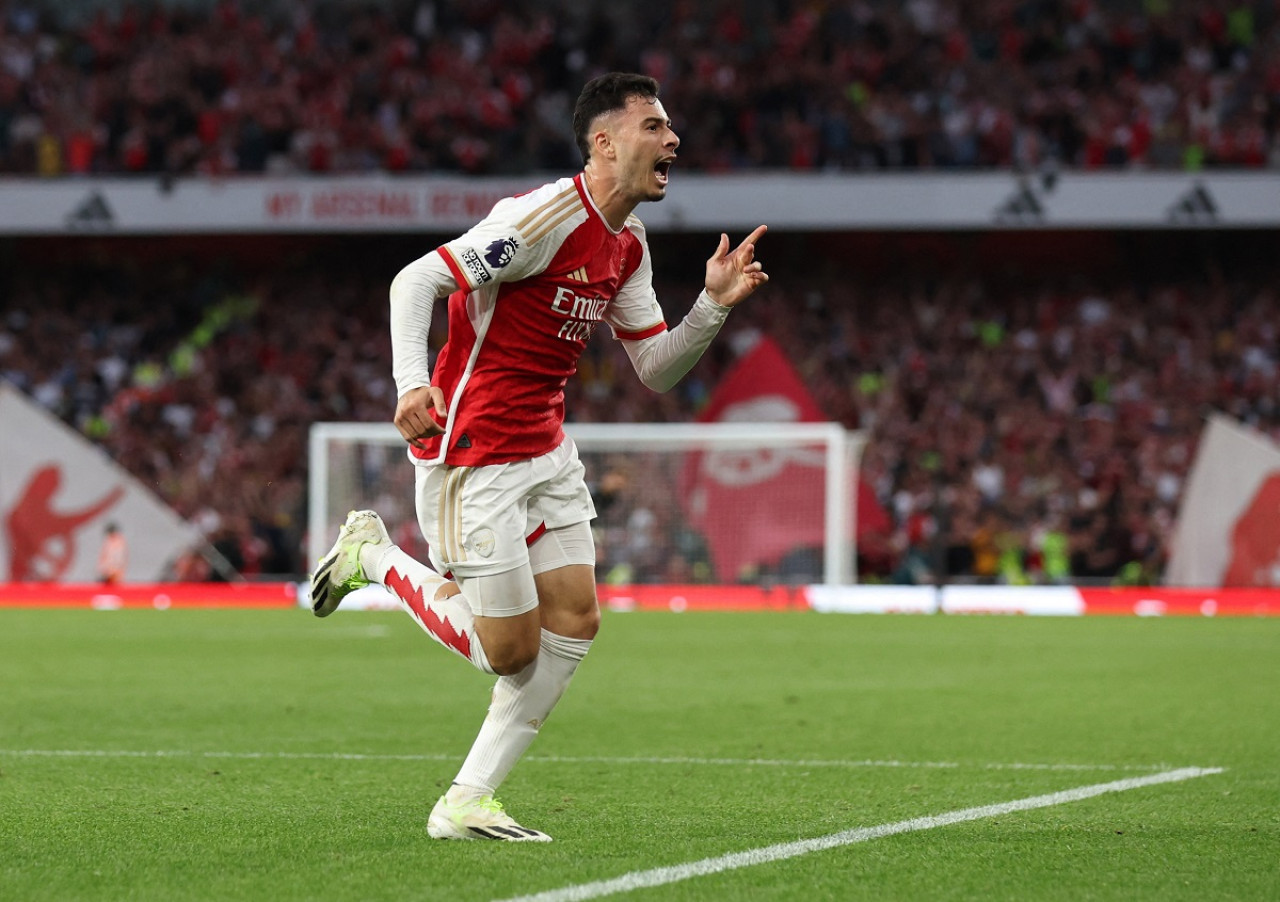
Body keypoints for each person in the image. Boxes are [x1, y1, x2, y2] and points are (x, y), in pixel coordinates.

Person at [310, 72, 769, 842]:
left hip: (547, 451)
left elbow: (655, 367)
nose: (673, 140)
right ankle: (376, 557)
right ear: (605, 142)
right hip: (474, 451)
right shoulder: (540, 219)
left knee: (578, 620)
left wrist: (712, 306)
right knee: (509, 653)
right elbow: (415, 279)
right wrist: (410, 384)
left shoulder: (629, 241)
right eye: (654, 126)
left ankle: (466, 801)